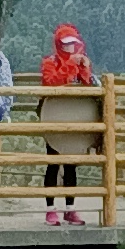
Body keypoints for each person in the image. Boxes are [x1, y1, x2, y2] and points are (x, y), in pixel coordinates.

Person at [38, 21, 96, 207]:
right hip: (53, 117)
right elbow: (51, 83)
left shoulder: (80, 63)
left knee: (71, 164)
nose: (70, 47)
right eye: (65, 43)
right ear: (58, 44)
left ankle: (70, 208)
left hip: (74, 117)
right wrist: (69, 65)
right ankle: (50, 208)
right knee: (53, 163)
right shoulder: (49, 63)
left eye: (72, 43)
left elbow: (89, 89)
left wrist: (85, 68)